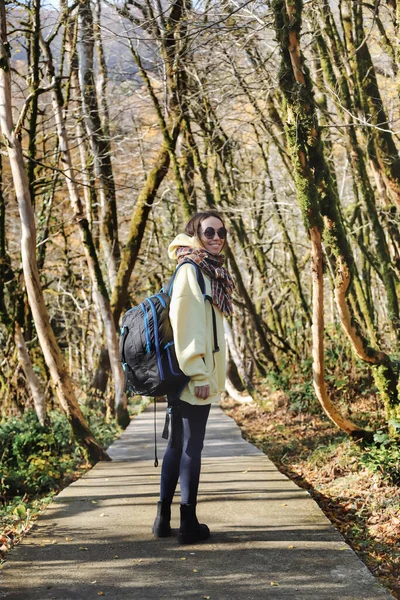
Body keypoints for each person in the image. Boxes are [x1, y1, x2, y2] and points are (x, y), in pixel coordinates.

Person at [152, 211, 234, 544]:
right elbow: (187, 326)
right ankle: (188, 524)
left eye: (222, 231)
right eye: (209, 231)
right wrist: (199, 372)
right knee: (191, 447)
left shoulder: (206, 271)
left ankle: (163, 519)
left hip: (191, 374)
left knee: (177, 445)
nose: (217, 237)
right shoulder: (191, 271)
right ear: (195, 234)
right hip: (192, 375)